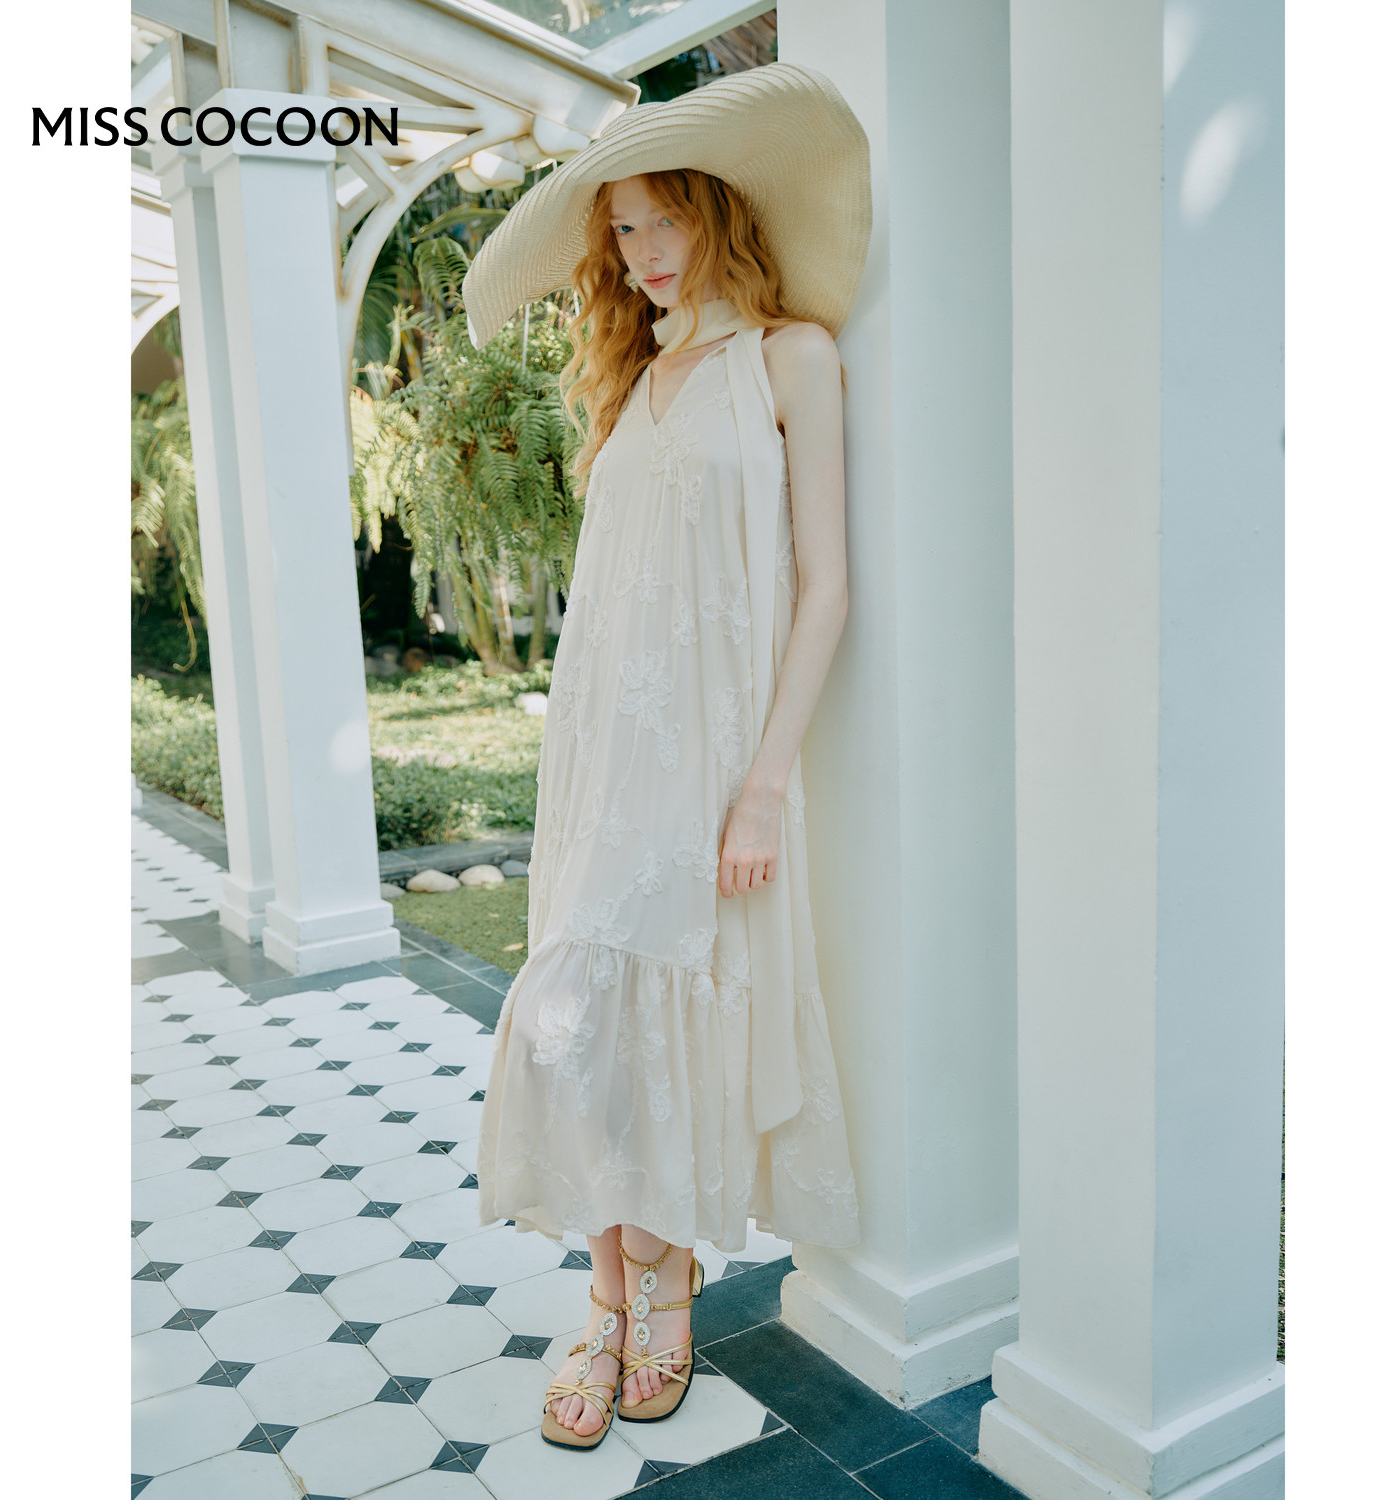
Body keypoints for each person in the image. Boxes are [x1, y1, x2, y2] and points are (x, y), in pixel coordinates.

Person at [460, 63, 871, 1451]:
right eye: (619, 229)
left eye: (657, 220)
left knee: (672, 1013)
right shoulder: (634, 381)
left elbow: (827, 587)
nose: (637, 252)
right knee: (577, 1019)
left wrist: (764, 784)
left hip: (712, 760)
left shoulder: (792, 357)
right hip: (602, 755)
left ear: (714, 210)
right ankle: (604, 1292)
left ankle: (667, 1285)